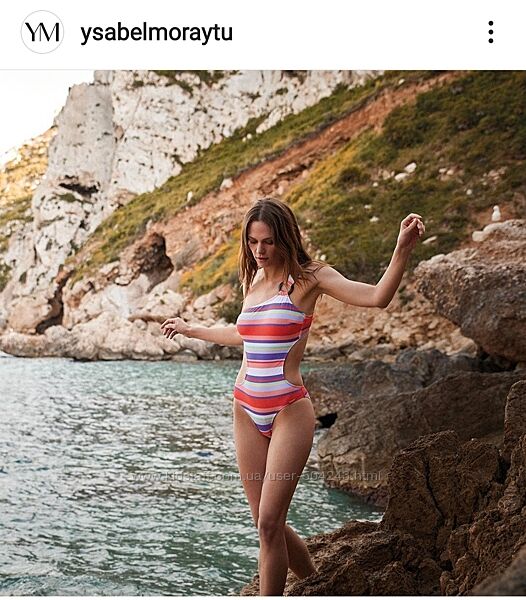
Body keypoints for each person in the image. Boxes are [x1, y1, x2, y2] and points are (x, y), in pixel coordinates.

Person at [161, 197, 425, 595]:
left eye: (268, 242)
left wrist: (402, 249)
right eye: (252, 242)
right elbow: (245, 334)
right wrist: (191, 329)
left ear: (285, 238)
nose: (260, 251)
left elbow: (377, 297)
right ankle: (317, 584)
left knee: (270, 522)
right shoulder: (253, 280)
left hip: (288, 409)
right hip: (245, 408)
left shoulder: (310, 278)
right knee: (266, 523)